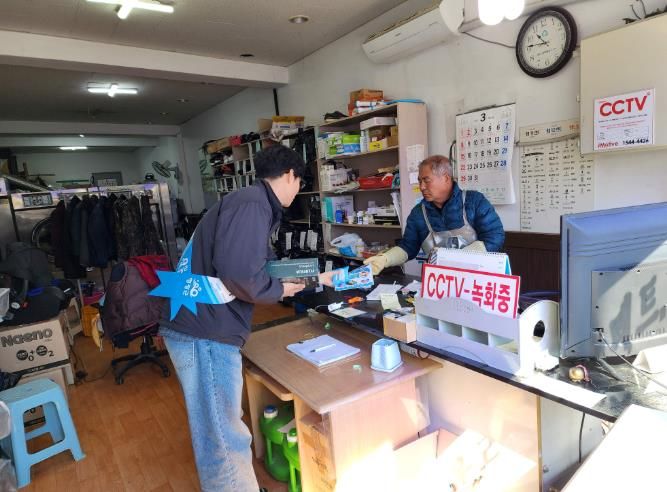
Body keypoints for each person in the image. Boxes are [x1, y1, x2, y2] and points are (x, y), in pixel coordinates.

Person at [159, 144, 335, 492]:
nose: (298, 190)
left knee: (221, 425)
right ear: (290, 175)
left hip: (201, 324)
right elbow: (241, 276)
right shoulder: (253, 205)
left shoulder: (249, 201)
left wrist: (314, 277)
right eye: (300, 182)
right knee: (222, 433)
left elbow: (253, 266)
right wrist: (280, 290)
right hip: (204, 331)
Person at [364, 154, 504, 274]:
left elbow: (495, 237)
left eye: (426, 180)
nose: (422, 187)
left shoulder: (474, 201)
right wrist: (386, 259)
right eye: (420, 181)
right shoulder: (419, 213)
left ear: (446, 178)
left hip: (478, 281)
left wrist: (461, 258)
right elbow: (408, 246)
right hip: (439, 282)